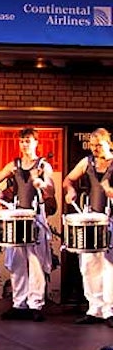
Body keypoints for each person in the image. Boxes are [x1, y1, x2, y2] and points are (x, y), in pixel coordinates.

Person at [0, 127, 55, 322]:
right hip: (17, 217)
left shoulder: (44, 165)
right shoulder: (14, 165)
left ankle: (35, 304)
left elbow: (51, 190)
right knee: (17, 262)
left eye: (28, 141)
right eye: (22, 141)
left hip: (35, 217)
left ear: (36, 142)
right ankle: (19, 303)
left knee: (35, 262)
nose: (25, 144)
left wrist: (41, 183)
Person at [63, 127, 113, 327]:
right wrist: (70, 189)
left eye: (99, 145)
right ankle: (94, 309)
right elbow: (68, 179)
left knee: (109, 267)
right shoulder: (87, 162)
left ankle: (110, 311)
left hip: (111, 221)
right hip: (92, 218)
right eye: (92, 146)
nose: (95, 149)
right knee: (89, 266)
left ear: (109, 144)